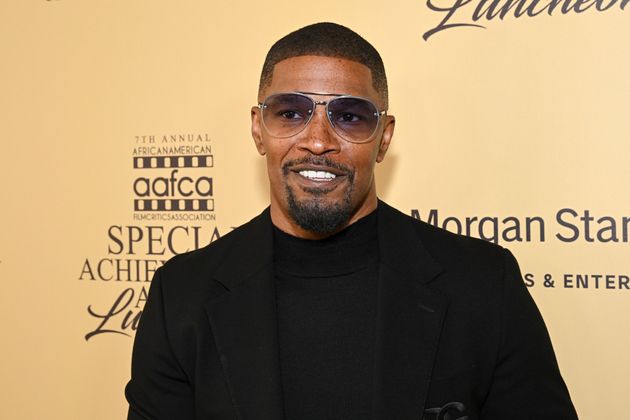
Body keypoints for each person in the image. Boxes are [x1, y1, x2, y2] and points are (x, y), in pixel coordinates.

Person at [125, 22, 578, 420]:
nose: (318, 141)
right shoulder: (181, 294)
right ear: (257, 128)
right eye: (290, 113)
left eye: (349, 117)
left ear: (384, 139)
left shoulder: (482, 283)